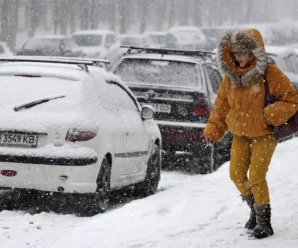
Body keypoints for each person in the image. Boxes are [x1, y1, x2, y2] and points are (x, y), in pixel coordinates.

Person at [203, 29, 298, 239]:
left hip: (264, 135)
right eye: (236, 53)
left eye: (245, 53)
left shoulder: (270, 73)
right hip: (240, 135)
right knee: (236, 175)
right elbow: (221, 107)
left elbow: (291, 99)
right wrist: (213, 130)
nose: (241, 58)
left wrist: (269, 115)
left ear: (255, 52)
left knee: (256, 176)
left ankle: (264, 222)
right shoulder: (230, 77)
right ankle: (254, 210)